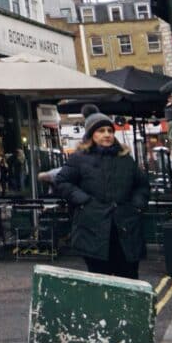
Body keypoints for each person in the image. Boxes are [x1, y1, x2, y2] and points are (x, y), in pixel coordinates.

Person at [54, 113, 148, 279]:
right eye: (101, 131)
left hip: (125, 227)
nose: (107, 135)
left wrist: (137, 205)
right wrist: (84, 200)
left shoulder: (125, 159)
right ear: (91, 135)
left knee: (129, 280)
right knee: (100, 281)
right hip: (93, 228)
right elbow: (62, 181)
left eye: (110, 131)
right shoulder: (79, 159)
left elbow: (141, 185)